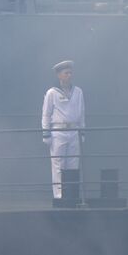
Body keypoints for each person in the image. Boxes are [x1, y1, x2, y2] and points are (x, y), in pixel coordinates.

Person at [42, 60, 85, 206]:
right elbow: (46, 114)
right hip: (58, 131)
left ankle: (72, 193)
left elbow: (82, 113)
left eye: (70, 72)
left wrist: (82, 131)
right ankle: (59, 195)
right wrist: (46, 133)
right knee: (58, 165)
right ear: (59, 75)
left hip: (74, 130)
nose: (69, 75)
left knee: (73, 163)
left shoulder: (78, 91)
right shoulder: (51, 92)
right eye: (66, 73)